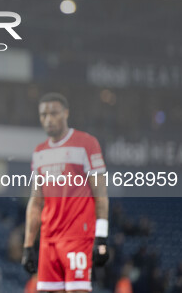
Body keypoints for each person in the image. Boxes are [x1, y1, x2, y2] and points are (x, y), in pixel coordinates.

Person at [22, 93, 109, 292]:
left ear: (66, 113)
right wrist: (28, 246)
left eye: (53, 113)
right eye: (43, 114)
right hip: (48, 239)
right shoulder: (39, 152)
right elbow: (35, 203)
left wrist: (102, 237)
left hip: (77, 237)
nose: (48, 119)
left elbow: (101, 193)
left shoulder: (86, 143)